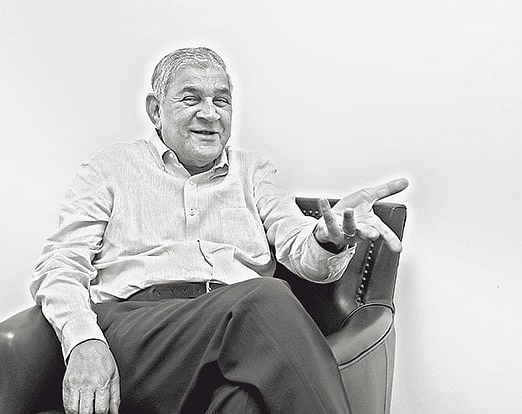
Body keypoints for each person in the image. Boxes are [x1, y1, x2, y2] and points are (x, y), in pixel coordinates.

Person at [31, 47, 408, 414]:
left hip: (232, 337)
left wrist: (328, 239)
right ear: (156, 110)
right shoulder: (110, 167)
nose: (210, 114)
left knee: (242, 402)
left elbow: (300, 248)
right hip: (139, 334)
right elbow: (60, 266)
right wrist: (83, 341)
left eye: (222, 101)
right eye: (191, 98)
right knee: (264, 297)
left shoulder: (254, 172)